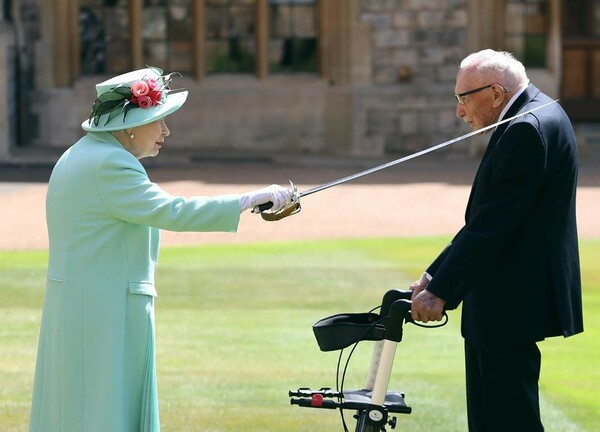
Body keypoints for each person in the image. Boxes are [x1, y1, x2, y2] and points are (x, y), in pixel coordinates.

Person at [29, 67, 293, 432]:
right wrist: (248, 200)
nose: (166, 130)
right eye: (158, 119)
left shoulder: (83, 153)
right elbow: (173, 211)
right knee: (103, 411)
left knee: (78, 409)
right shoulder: (110, 163)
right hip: (103, 311)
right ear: (130, 125)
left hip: (84, 304)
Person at [410, 49, 583, 432]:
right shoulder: (540, 111)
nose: (459, 111)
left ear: (495, 94)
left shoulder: (525, 127)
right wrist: (433, 275)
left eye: (463, 98)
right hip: (510, 294)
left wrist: (441, 291)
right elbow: (490, 217)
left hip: (509, 298)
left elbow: (493, 225)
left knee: (506, 419)